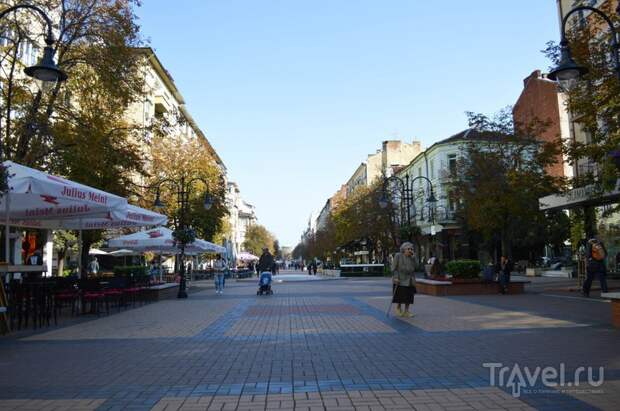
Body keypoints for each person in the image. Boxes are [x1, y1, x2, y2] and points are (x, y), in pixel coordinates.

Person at [391, 242, 417, 317]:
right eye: (408, 249)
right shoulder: (398, 255)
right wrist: (395, 277)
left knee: (409, 296)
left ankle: (406, 311)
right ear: (403, 249)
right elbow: (393, 268)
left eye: (411, 249)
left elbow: (417, 266)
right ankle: (398, 308)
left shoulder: (412, 257)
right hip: (400, 279)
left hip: (410, 279)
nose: (410, 250)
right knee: (400, 296)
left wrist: (414, 258)